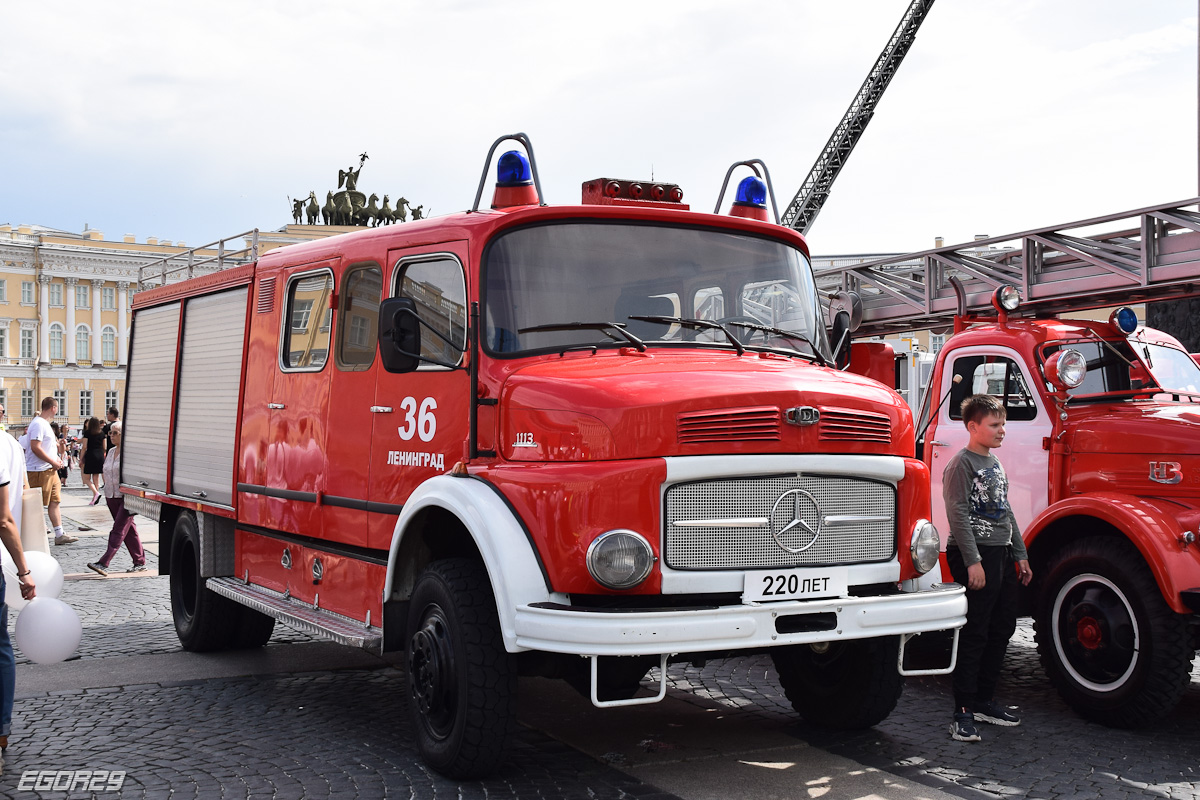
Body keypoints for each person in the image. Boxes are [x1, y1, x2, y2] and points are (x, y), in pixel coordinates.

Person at [943, 394, 1033, 742]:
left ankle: (984, 700)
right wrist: (972, 562)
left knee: (1002, 627)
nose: (1002, 431)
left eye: (1003, 424)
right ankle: (962, 711)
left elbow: (1006, 510)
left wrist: (1020, 554)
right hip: (974, 553)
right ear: (973, 427)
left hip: (1001, 553)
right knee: (976, 630)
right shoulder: (961, 465)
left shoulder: (995, 464)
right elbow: (957, 515)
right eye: (995, 425)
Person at [0, 400, 36, 771]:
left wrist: (25, 570)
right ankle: (2, 729)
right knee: (1, 645)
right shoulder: (12, 444)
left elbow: (4, 518)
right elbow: (23, 495)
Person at [87, 422, 145, 575]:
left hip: (126, 497)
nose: (111, 436)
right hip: (111, 496)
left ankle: (104, 562)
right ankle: (139, 561)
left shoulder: (129, 453)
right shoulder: (111, 451)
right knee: (129, 530)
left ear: (123, 434)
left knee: (118, 530)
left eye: (115, 433)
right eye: (110, 433)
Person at [23, 397, 75, 546]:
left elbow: (46, 447)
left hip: (49, 470)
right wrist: (52, 461)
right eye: (57, 407)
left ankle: (59, 534)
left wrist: (56, 458)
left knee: (55, 501)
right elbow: (35, 447)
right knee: (36, 504)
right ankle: (34, 535)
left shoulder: (44, 424)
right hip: (38, 471)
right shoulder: (39, 424)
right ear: (53, 408)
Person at [81, 416, 106, 505]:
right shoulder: (102, 433)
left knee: (86, 478)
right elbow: (104, 447)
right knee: (96, 477)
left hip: (90, 455)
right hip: (100, 455)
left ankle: (95, 493)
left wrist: (81, 459)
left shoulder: (87, 433)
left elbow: (84, 447)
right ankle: (94, 497)